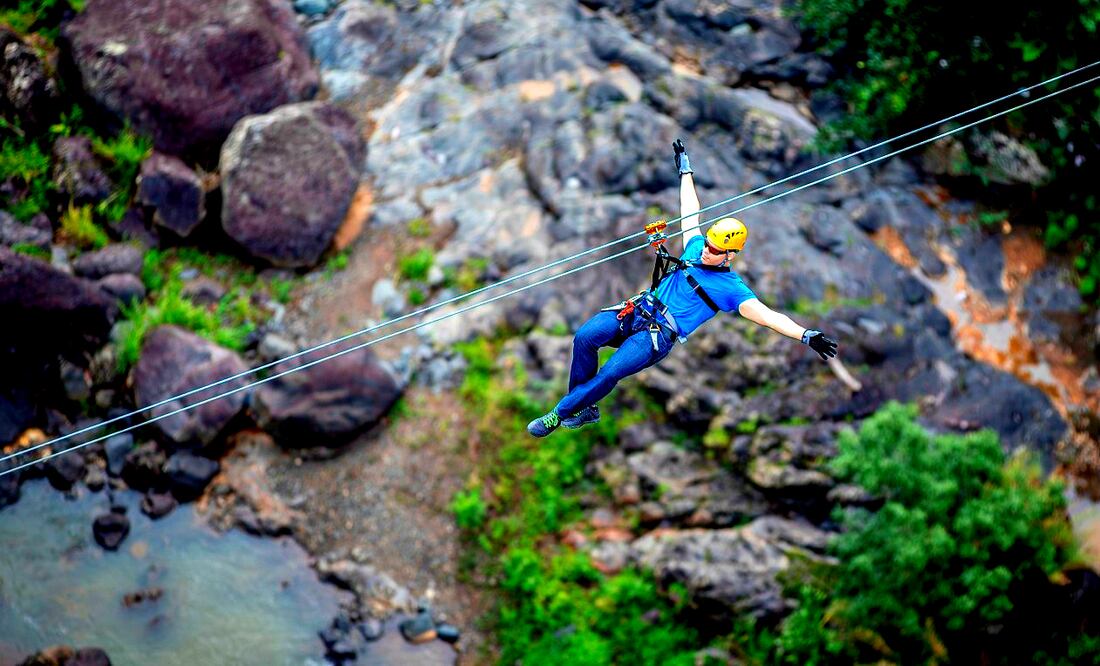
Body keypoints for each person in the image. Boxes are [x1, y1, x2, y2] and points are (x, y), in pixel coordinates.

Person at [527, 139, 839, 437]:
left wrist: (805, 335)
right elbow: (691, 211)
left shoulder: (731, 289)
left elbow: (769, 316)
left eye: (716, 251)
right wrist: (685, 170)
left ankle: (558, 414)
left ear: (731, 255)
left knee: (610, 373)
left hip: (656, 336)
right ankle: (584, 407)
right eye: (709, 245)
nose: (707, 251)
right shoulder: (696, 246)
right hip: (638, 310)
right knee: (585, 337)